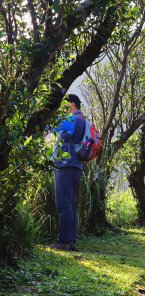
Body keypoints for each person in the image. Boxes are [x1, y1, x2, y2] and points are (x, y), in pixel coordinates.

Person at [51, 94, 86, 251]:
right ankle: (70, 240)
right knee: (71, 204)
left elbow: (50, 126)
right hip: (76, 165)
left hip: (65, 165)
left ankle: (63, 241)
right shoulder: (83, 120)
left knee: (63, 204)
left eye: (65, 106)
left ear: (72, 104)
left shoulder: (72, 119)